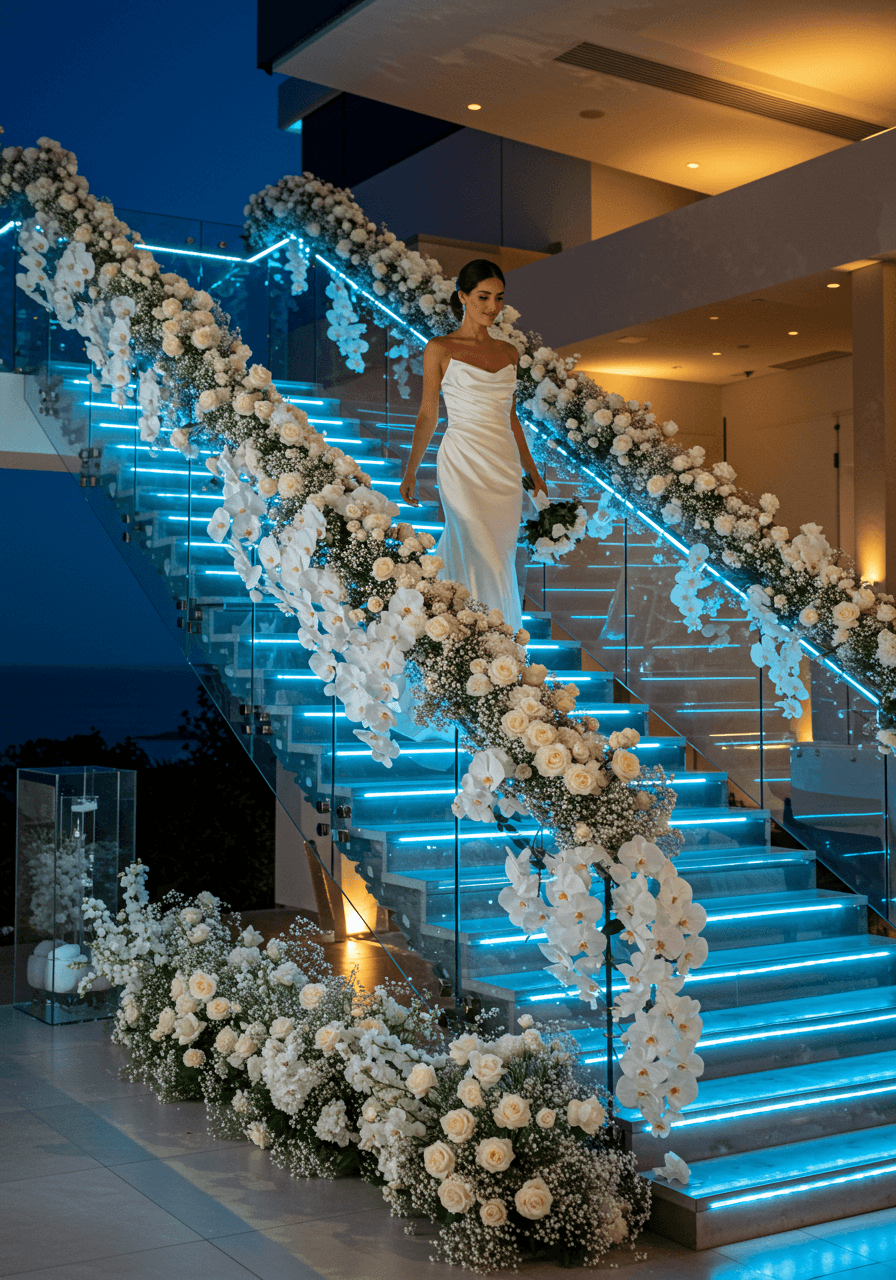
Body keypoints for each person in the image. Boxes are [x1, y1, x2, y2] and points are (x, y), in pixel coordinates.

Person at [399, 259, 547, 632]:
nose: (492, 307)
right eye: (483, 297)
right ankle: (474, 638)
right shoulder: (440, 348)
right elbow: (427, 414)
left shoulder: (509, 353)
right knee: (478, 550)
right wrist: (411, 469)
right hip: (462, 462)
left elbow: (511, 417)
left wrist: (531, 470)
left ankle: (498, 649)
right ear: (463, 297)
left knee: (501, 555)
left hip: (504, 467)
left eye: (498, 298)